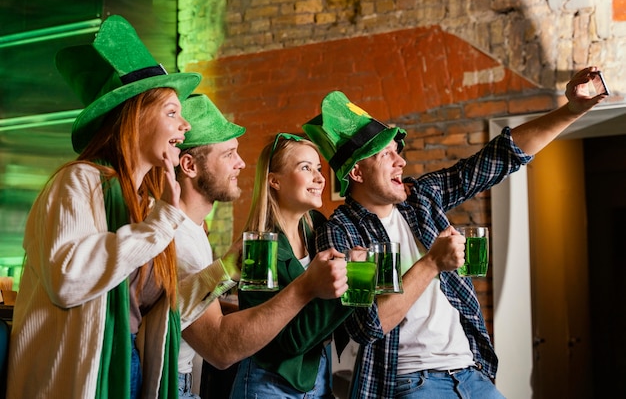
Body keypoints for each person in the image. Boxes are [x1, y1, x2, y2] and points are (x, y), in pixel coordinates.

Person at [303, 66, 606, 399]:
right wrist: (432, 263)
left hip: (472, 373)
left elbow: (499, 158)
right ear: (357, 172)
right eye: (385, 154)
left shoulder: (420, 198)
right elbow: (367, 326)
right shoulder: (340, 233)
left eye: (397, 151)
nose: (400, 162)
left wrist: (571, 111)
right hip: (408, 382)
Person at [6, 15, 229, 399]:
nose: (186, 126)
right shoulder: (78, 181)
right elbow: (67, 280)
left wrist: (228, 269)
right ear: (135, 117)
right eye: (172, 113)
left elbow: (155, 313)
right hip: (80, 376)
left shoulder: (143, 203)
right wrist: (159, 226)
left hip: (128, 369)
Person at [174, 95, 350, 398]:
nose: (241, 164)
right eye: (229, 154)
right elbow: (221, 346)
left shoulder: (196, 233)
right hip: (244, 383)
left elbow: (189, 309)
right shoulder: (176, 237)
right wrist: (328, 287)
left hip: (312, 380)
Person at [229, 133, 356, 399]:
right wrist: (352, 280)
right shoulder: (258, 249)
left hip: (317, 377)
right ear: (274, 181)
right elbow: (289, 341)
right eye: (305, 168)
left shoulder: (318, 229)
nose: (320, 178)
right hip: (269, 383)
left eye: (319, 169)